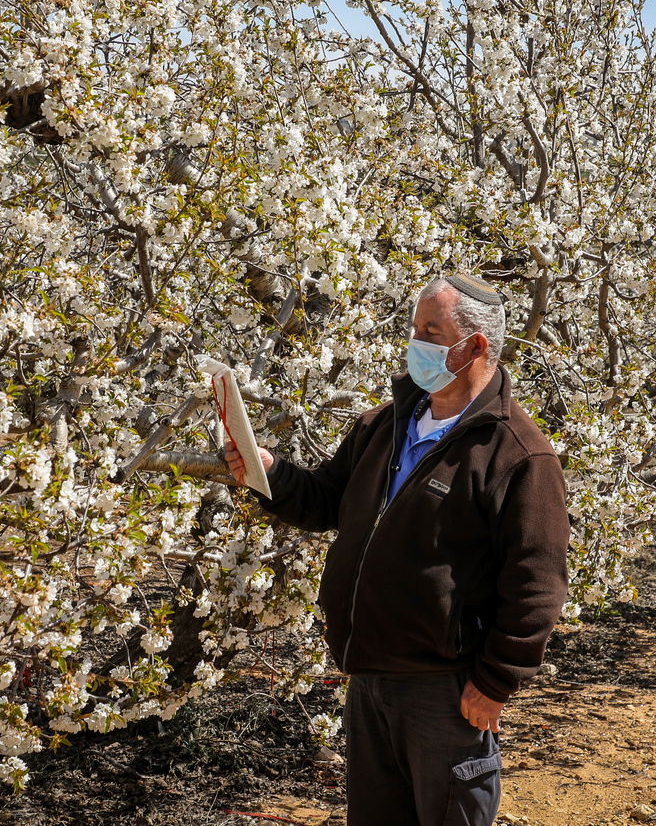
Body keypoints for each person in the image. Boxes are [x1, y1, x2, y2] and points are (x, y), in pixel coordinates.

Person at [224, 273, 572, 826]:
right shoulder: (385, 425)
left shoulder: (516, 454)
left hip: (447, 689)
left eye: (430, 331)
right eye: (415, 328)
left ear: (475, 346)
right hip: (370, 678)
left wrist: (494, 682)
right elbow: (326, 502)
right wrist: (270, 474)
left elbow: (537, 581)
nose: (416, 343)